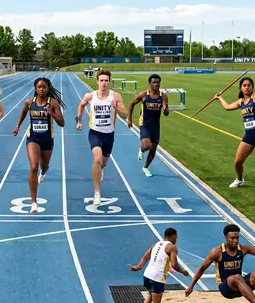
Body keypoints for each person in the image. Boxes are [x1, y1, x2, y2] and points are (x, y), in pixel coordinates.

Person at [214, 76, 255, 205]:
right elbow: (228, 107)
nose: (247, 87)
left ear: (252, 87)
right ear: (241, 88)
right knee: (237, 162)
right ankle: (240, 180)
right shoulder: (240, 102)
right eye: (244, 85)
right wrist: (219, 98)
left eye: (249, 85)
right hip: (249, 135)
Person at [13, 77, 65, 214]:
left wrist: (51, 113)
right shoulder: (29, 102)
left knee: (44, 166)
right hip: (33, 138)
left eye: (44, 87)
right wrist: (18, 126)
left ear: (48, 89)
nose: (41, 89)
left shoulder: (53, 103)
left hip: (47, 139)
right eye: (39, 87)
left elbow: (62, 123)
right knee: (33, 166)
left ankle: (43, 173)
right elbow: (24, 112)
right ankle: (34, 202)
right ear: (35, 88)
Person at [76, 70, 128, 205]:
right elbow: (81, 105)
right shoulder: (90, 96)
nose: (104, 83)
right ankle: (97, 192)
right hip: (95, 133)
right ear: (97, 81)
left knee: (103, 163)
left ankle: (99, 171)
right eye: (102, 80)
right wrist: (79, 121)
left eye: (106, 80)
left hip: (109, 135)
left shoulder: (115, 96)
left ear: (109, 82)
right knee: (97, 159)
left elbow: (125, 115)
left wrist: (116, 107)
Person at [129, 228, 188, 303]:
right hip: (157, 278)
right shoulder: (172, 247)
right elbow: (174, 265)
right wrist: (183, 272)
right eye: (176, 236)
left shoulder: (156, 244)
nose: (177, 238)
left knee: (151, 295)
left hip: (147, 275)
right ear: (172, 236)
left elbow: (146, 256)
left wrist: (138, 267)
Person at [127, 74, 169, 177]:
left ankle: (145, 167)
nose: (156, 84)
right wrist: (130, 119)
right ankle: (141, 150)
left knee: (153, 148)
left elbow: (166, 113)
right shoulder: (144, 95)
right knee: (147, 145)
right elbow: (132, 103)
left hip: (156, 125)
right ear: (150, 84)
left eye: (157, 82)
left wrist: (165, 108)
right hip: (144, 123)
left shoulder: (163, 96)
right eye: (154, 82)